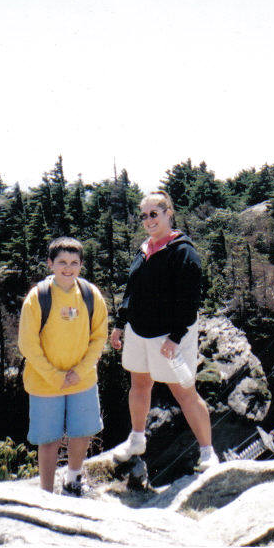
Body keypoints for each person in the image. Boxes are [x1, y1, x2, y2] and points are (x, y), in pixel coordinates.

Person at [108, 191, 219, 472]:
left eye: (153, 214)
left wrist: (175, 337)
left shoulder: (183, 251)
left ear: (169, 213)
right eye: (144, 215)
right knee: (140, 385)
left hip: (168, 336)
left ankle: (208, 453)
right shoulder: (144, 249)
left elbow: (190, 300)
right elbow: (131, 291)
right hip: (138, 331)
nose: (148, 220)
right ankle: (136, 439)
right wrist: (121, 324)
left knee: (185, 392)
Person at [18, 237, 108, 495]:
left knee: (81, 433)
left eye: (74, 263)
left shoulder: (91, 295)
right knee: (49, 440)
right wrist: (56, 375)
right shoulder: (38, 298)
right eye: (61, 262)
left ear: (81, 265)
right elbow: (27, 344)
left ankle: (73, 480)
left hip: (83, 379)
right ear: (50, 264)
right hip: (45, 382)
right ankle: (46, 494)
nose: (67, 268)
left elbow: (99, 336)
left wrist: (79, 371)